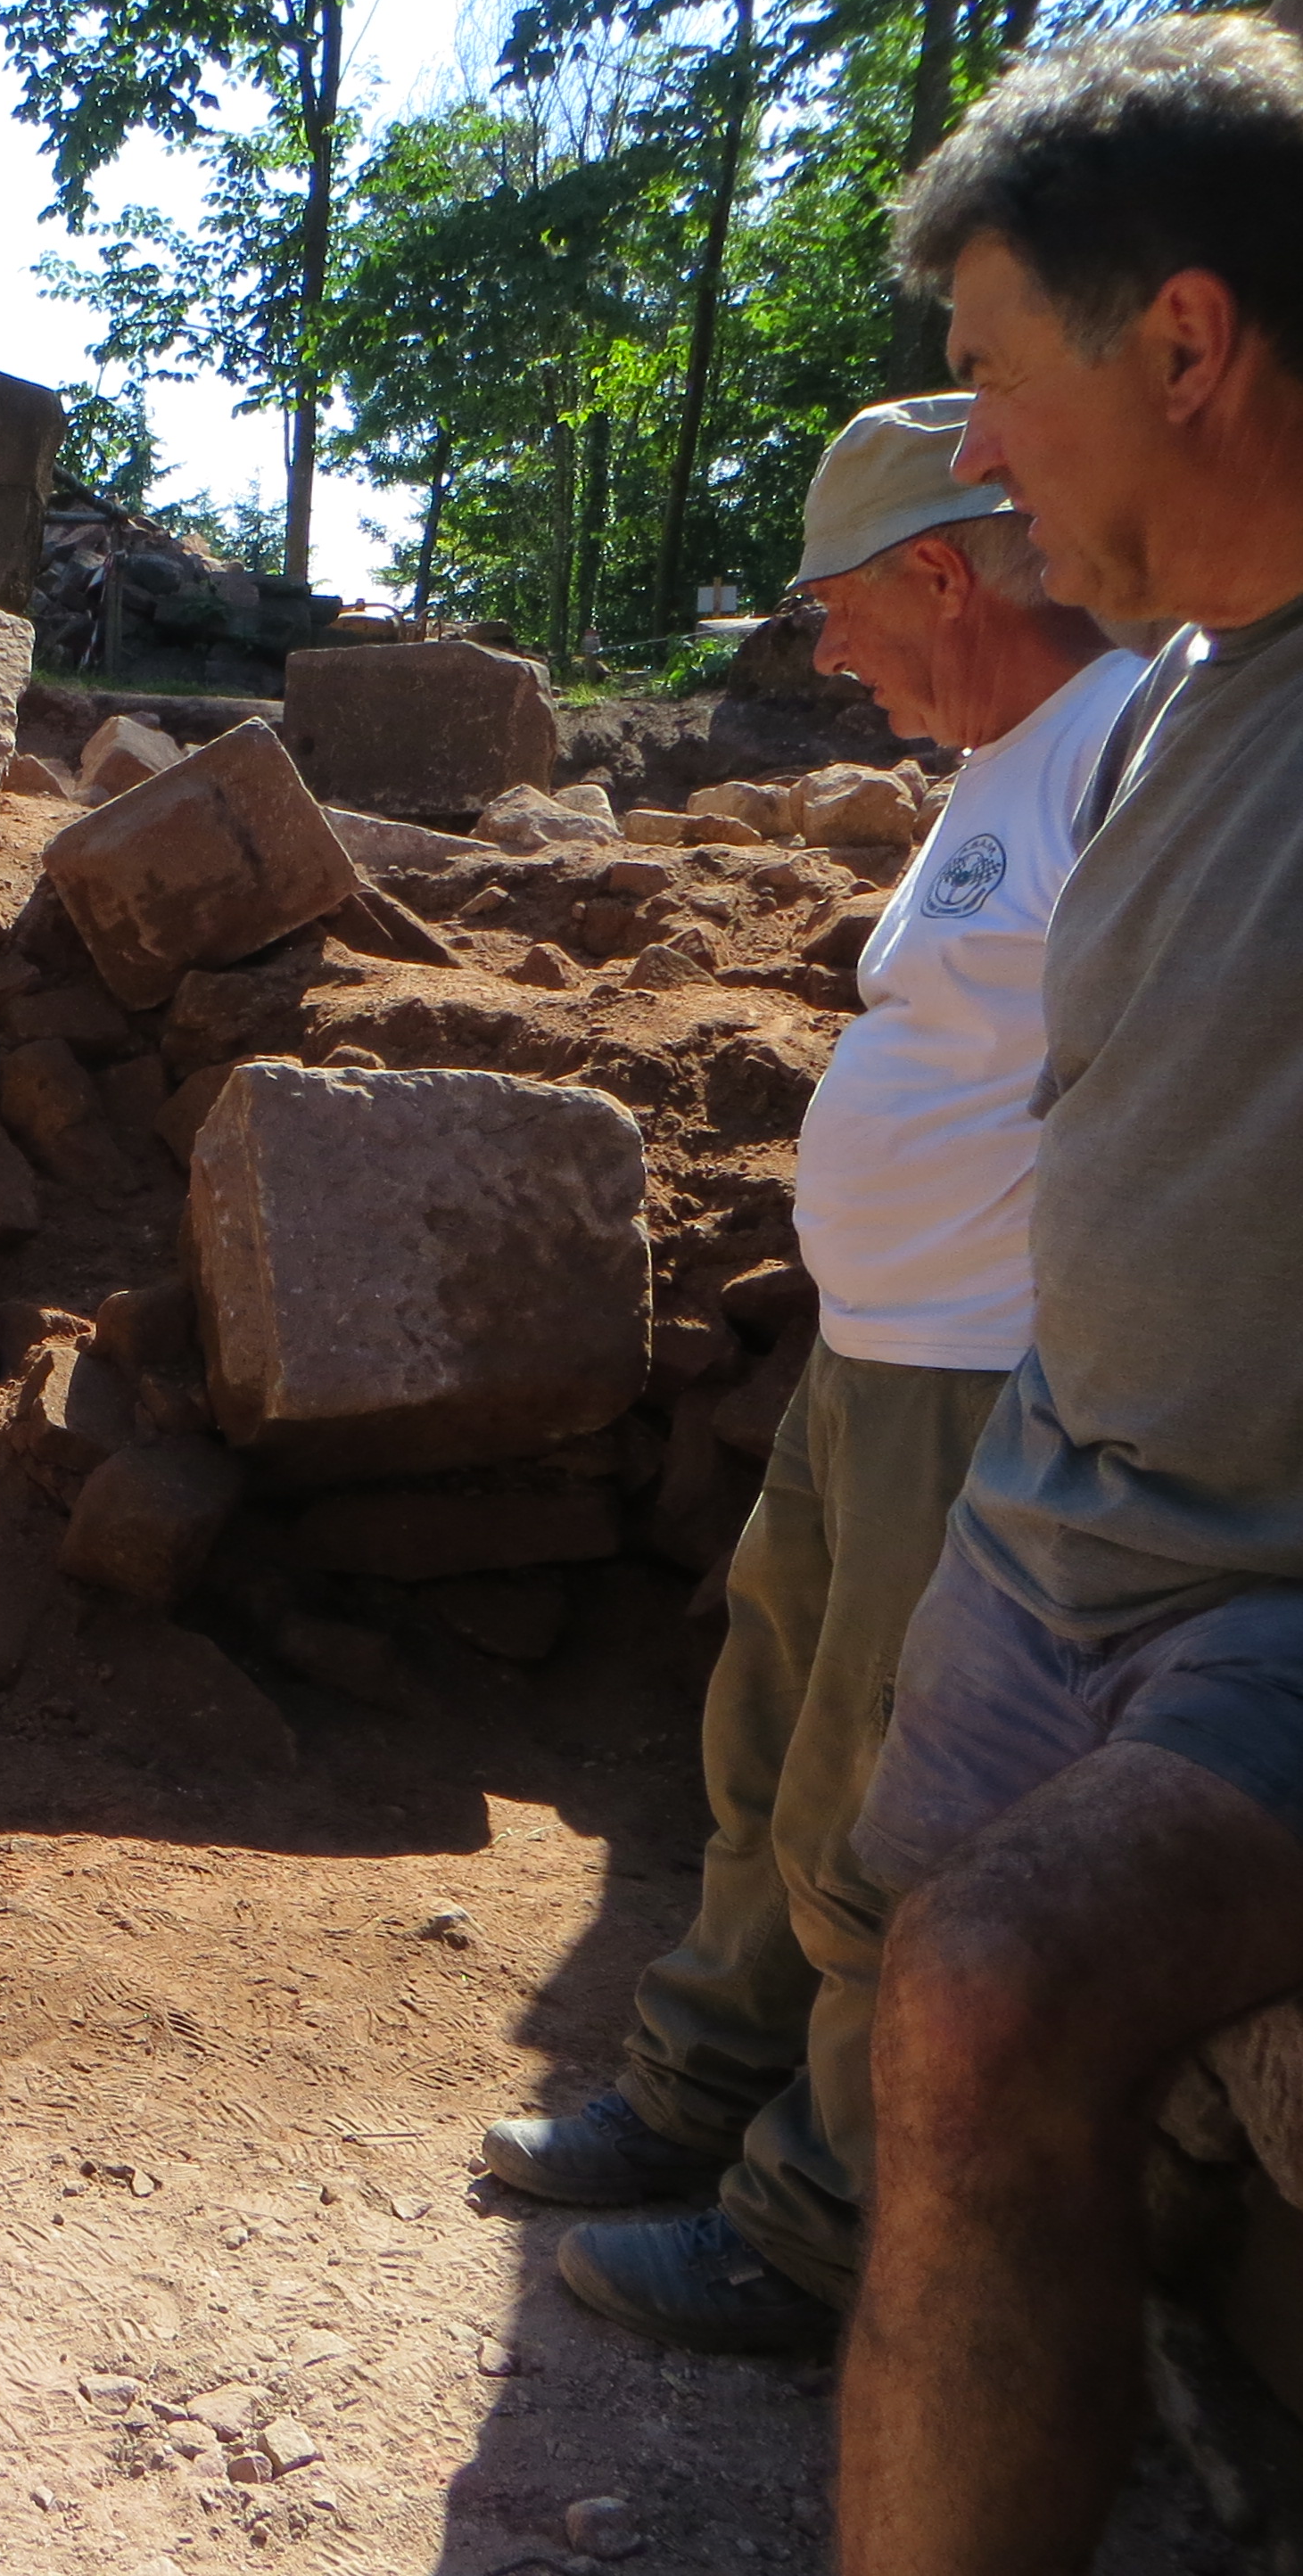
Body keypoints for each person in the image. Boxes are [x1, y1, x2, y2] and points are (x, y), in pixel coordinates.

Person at [476, 408, 1141, 2354]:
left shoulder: (1134, 740)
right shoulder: (997, 761)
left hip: (979, 1382)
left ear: (943, 570)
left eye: (844, 609)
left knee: (888, 1803)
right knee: (768, 1750)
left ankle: (816, 2224)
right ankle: (691, 2100)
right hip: (871, 1361)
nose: (828, 655)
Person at [824, 15, 1303, 2576]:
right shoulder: (1181, 701)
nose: (978, 457)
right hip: (1059, 1528)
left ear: (1187, 344)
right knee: (881, 1944)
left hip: (1264, 1597)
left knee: (987, 1985)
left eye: (994, 379)